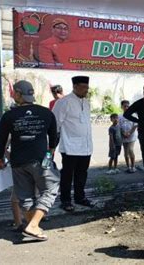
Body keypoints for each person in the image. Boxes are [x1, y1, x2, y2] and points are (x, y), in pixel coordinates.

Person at [0, 80, 58, 241]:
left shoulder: (9, 115)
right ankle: (34, 225)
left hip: (18, 162)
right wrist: (49, 157)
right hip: (40, 160)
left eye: (14, 93)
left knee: (25, 196)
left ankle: (31, 227)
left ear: (18, 94)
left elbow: (0, 140)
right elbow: (53, 139)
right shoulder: (46, 113)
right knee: (50, 189)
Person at [52, 76, 93, 212]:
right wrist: (53, 143)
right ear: (75, 87)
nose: (86, 90)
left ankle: (80, 197)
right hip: (70, 146)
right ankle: (65, 200)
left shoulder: (86, 102)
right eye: (83, 87)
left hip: (86, 147)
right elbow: (55, 124)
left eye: (87, 87)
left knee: (82, 174)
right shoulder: (63, 102)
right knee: (67, 175)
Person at [119, 100, 138, 173]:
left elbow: (135, 125)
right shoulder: (120, 116)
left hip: (132, 136)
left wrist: (129, 133)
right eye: (125, 106)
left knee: (130, 150)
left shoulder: (133, 115)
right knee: (125, 152)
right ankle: (128, 167)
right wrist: (123, 133)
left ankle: (133, 166)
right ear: (122, 107)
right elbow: (119, 126)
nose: (126, 107)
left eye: (127, 106)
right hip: (124, 136)